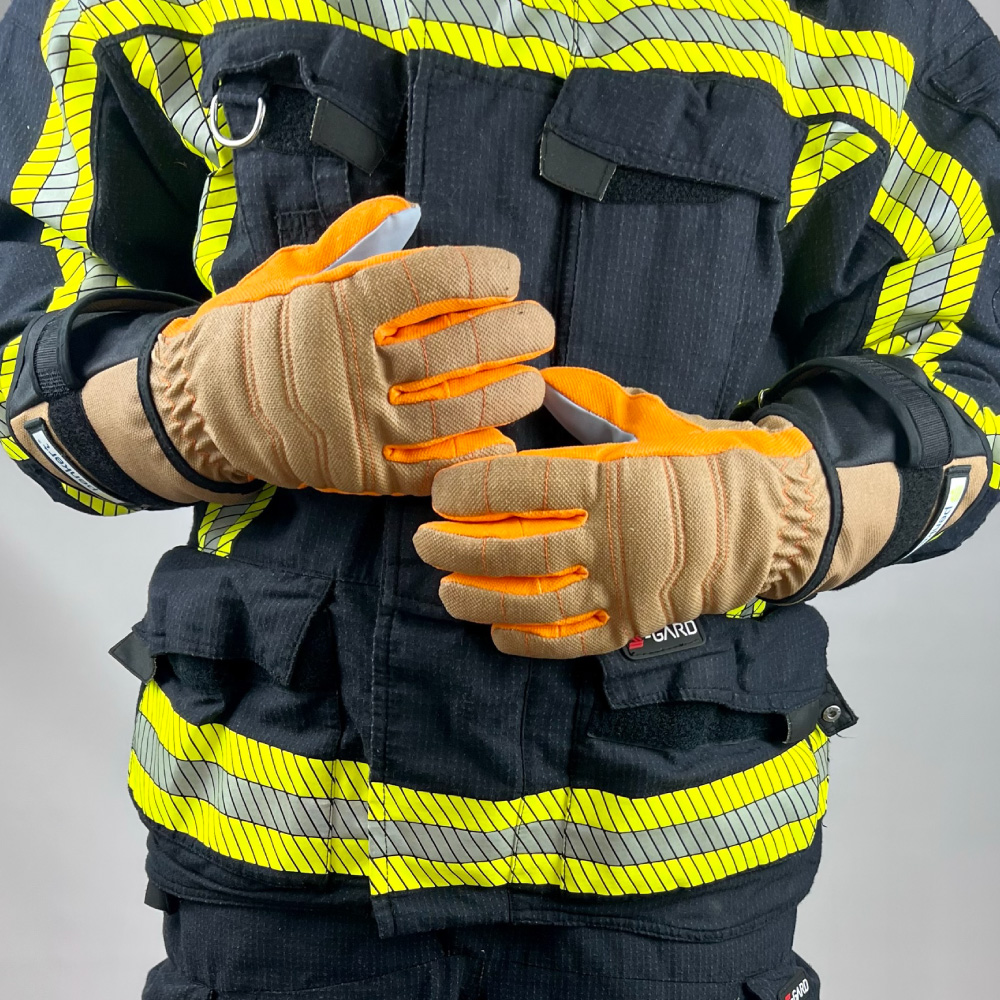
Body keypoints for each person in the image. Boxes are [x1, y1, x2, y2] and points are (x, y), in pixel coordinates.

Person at [1, 0, 998, 995]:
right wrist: (192, 395)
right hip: (274, 873)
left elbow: (970, 382)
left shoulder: (869, 27)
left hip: (675, 880)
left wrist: (779, 504)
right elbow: (24, 337)